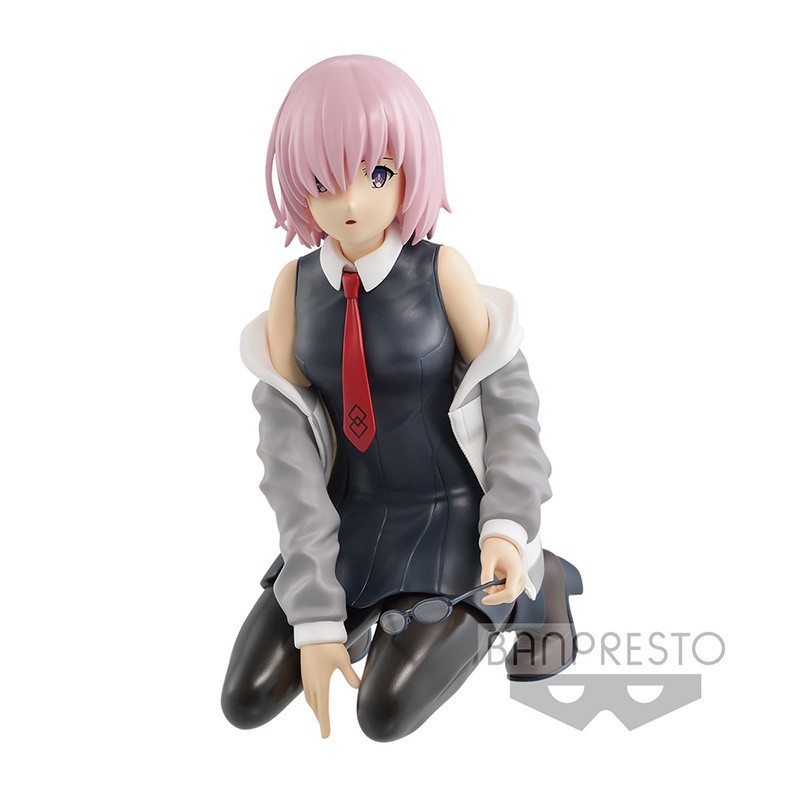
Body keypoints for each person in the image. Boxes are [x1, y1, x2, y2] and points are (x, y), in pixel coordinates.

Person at [221, 54, 582, 742]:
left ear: (412, 171)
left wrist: (507, 526)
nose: (351, 204)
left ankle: (546, 584)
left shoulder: (442, 271)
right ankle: (359, 610)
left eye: (377, 174)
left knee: (382, 714)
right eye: (324, 182)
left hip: (450, 519)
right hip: (349, 520)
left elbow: (509, 403)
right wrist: (316, 613)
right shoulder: (293, 290)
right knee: (245, 699)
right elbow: (288, 456)